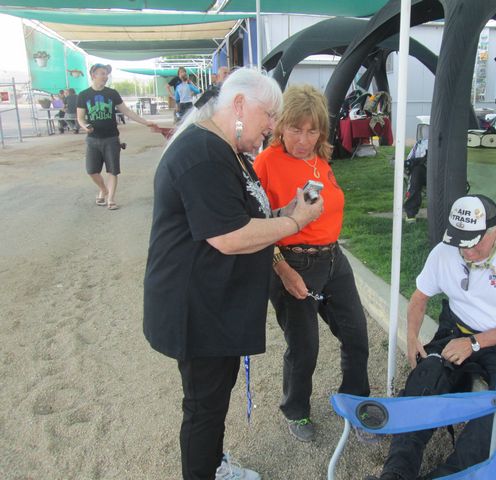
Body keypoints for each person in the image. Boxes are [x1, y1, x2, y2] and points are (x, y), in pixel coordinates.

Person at [143, 68, 324, 480]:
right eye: (270, 115)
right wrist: (295, 223)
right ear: (239, 104)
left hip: (215, 304)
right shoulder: (203, 154)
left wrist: (284, 212)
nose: (273, 126)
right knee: (203, 406)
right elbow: (228, 236)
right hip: (196, 307)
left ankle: (212, 465)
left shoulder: (227, 150)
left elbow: (242, 214)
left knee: (213, 399)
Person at [367, 194, 496, 480]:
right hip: (458, 331)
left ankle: (449, 475)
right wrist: (412, 338)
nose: (467, 251)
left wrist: (475, 343)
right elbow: (419, 298)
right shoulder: (444, 251)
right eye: (460, 242)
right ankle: (396, 473)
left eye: (474, 243)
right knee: (424, 378)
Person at [253, 84, 370, 442]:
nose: (303, 139)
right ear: (281, 125)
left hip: (334, 260)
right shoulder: (266, 162)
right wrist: (282, 269)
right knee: (304, 347)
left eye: (312, 130)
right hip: (292, 262)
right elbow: (255, 226)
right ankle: (296, 409)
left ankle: (356, 401)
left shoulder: (320, 160)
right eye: (295, 129)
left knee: (356, 334)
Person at [76, 63, 157, 210]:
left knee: (113, 170)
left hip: (111, 138)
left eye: (106, 74)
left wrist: (145, 122)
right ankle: (103, 189)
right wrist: (85, 126)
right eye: (102, 73)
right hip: (93, 139)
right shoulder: (83, 95)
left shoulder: (112, 93)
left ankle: (111, 199)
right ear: (93, 75)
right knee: (91, 171)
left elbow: (127, 111)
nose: (105, 76)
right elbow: (80, 118)